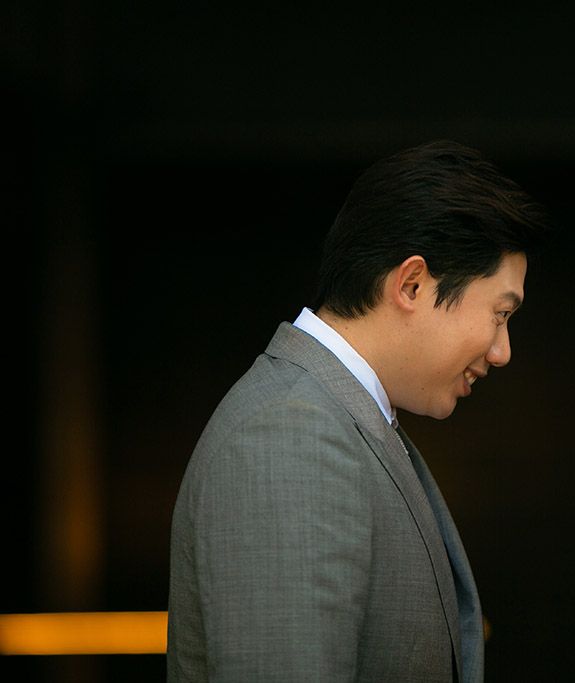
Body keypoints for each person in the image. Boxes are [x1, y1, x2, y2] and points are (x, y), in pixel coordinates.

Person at [167, 140, 551, 682]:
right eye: (500, 314)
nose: (502, 351)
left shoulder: (329, 417)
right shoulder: (291, 434)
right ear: (412, 284)